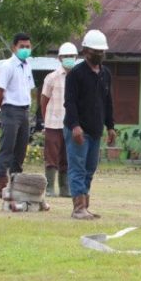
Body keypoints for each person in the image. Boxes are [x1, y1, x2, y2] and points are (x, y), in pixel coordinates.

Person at [64, 29, 116, 220]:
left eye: (102, 51)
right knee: (77, 167)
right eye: (96, 51)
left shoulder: (105, 74)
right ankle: (77, 208)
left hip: (95, 129)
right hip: (78, 129)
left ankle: (85, 205)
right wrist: (75, 126)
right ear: (85, 51)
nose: (100, 54)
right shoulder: (75, 74)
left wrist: (110, 126)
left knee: (90, 168)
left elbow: (108, 101)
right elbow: (69, 102)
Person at [0, 33, 36, 198]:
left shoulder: (27, 66)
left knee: (20, 149)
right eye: (22, 46)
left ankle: (16, 184)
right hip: (10, 109)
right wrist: (5, 109)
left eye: (27, 46)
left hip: (24, 111)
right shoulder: (7, 66)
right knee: (7, 148)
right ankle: (1, 185)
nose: (25, 49)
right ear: (14, 48)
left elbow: (29, 89)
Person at [40, 42, 77, 197]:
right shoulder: (52, 77)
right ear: (60, 58)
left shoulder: (78, 77)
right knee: (51, 156)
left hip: (71, 123)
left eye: (72, 56)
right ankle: (49, 188)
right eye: (66, 56)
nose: (69, 59)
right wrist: (46, 119)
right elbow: (44, 100)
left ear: (76, 57)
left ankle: (64, 188)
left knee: (67, 157)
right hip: (53, 123)